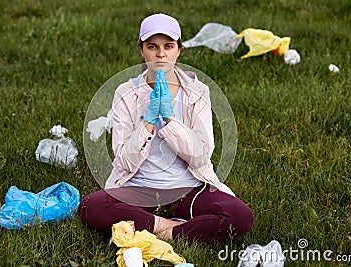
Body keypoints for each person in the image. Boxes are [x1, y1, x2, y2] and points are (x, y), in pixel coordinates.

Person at [78, 13, 253, 243]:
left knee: (240, 216)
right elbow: (123, 161)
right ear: (142, 50)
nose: (161, 54)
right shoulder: (125, 93)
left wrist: (170, 120)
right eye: (152, 46)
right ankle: (167, 226)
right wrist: (148, 121)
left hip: (188, 189)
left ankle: (159, 230)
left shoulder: (198, 92)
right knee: (90, 207)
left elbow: (201, 157)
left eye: (168, 46)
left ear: (178, 50)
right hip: (139, 187)